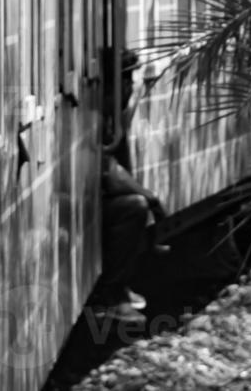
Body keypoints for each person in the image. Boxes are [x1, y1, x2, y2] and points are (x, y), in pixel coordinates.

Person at [91, 51, 168, 323]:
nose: (133, 86)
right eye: (128, 79)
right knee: (135, 207)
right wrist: (150, 196)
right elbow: (108, 170)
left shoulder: (115, 114)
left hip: (92, 201)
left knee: (137, 203)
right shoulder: (96, 115)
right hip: (76, 207)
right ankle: (110, 296)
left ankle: (120, 289)